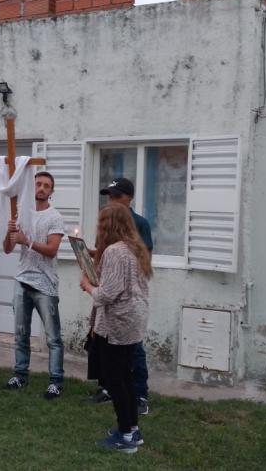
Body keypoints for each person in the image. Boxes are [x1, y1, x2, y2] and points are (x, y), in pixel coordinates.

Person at [80, 203, 151, 454]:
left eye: (100, 224)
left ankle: (127, 436)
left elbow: (106, 295)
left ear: (107, 225)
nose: (98, 229)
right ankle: (132, 429)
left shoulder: (114, 252)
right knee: (126, 378)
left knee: (116, 380)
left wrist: (87, 285)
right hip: (133, 321)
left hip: (117, 324)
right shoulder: (134, 248)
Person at [89, 177, 153, 414]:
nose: (112, 201)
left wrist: (90, 286)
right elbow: (107, 256)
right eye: (109, 196)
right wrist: (91, 255)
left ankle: (140, 395)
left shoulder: (139, 224)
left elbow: (142, 261)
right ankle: (109, 388)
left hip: (124, 304)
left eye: (117, 196)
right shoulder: (108, 224)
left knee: (132, 351)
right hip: (110, 296)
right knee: (105, 348)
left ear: (129, 198)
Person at [3, 171, 66, 400]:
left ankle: (56, 381)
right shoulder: (21, 215)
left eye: (46, 185)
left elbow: (52, 250)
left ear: (51, 191)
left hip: (45, 284)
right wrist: (10, 232)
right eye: (38, 184)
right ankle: (20, 375)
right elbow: (8, 248)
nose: (41, 188)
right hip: (22, 279)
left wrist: (27, 240)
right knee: (20, 333)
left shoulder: (55, 217)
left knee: (52, 337)